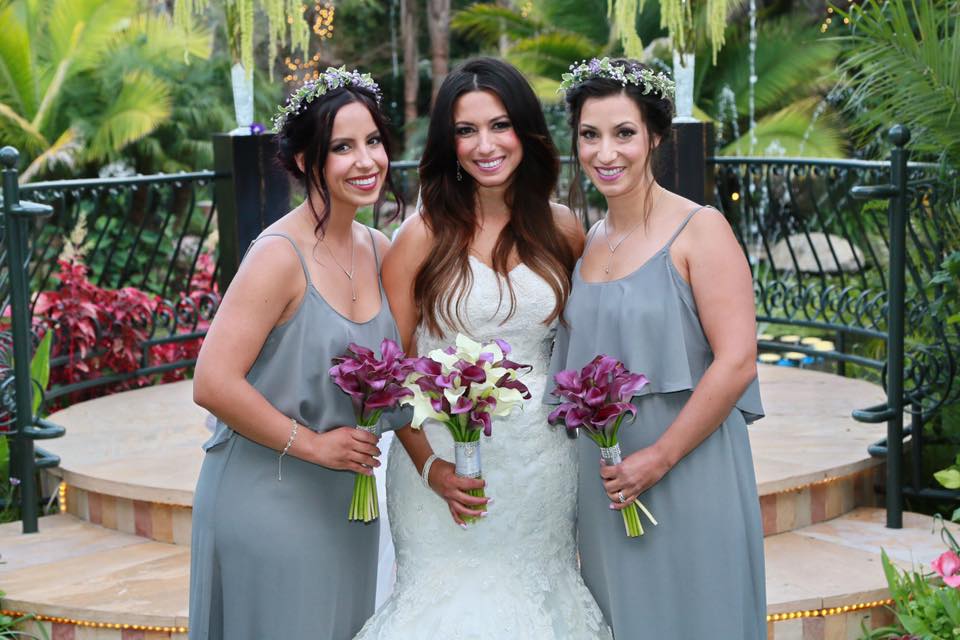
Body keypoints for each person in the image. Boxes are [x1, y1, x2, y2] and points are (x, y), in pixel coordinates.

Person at [355, 58, 612, 639]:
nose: (485, 145)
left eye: (500, 125)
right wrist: (432, 468)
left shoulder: (564, 231)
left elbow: (586, 345)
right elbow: (390, 375)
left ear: (526, 131)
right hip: (441, 466)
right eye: (466, 131)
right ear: (448, 144)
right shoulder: (419, 238)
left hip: (543, 472)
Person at [548, 57, 767, 638]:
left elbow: (737, 361)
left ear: (655, 137)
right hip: (609, 482)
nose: (605, 152)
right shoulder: (589, 241)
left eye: (624, 133)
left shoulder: (701, 229)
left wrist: (659, 458)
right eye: (590, 135)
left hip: (688, 468)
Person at [189, 67, 408, 640]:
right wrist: (313, 445)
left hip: (348, 502)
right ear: (309, 160)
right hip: (270, 493)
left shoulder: (379, 248)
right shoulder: (278, 255)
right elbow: (212, 381)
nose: (366, 161)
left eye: (373, 141)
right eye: (343, 147)